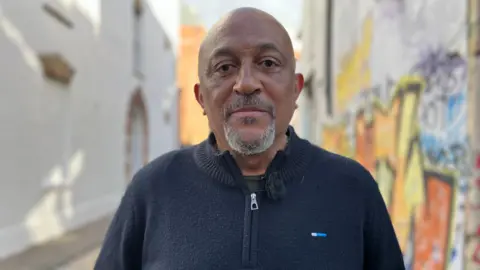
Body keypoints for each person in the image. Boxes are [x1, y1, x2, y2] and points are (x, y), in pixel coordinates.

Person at [94, 7, 405, 270]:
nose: (245, 84)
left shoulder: (352, 189)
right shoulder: (152, 190)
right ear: (202, 98)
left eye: (268, 63)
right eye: (225, 67)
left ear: (296, 90)